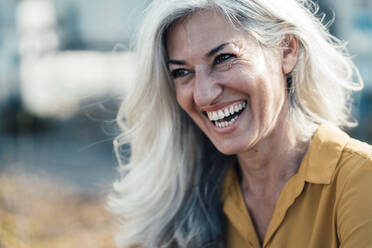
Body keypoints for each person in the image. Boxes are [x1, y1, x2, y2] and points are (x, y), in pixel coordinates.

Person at [109, 0, 372, 247]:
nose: (203, 95)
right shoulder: (179, 206)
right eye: (182, 72)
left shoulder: (360, 179)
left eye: (223, 58)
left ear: (286, 49)